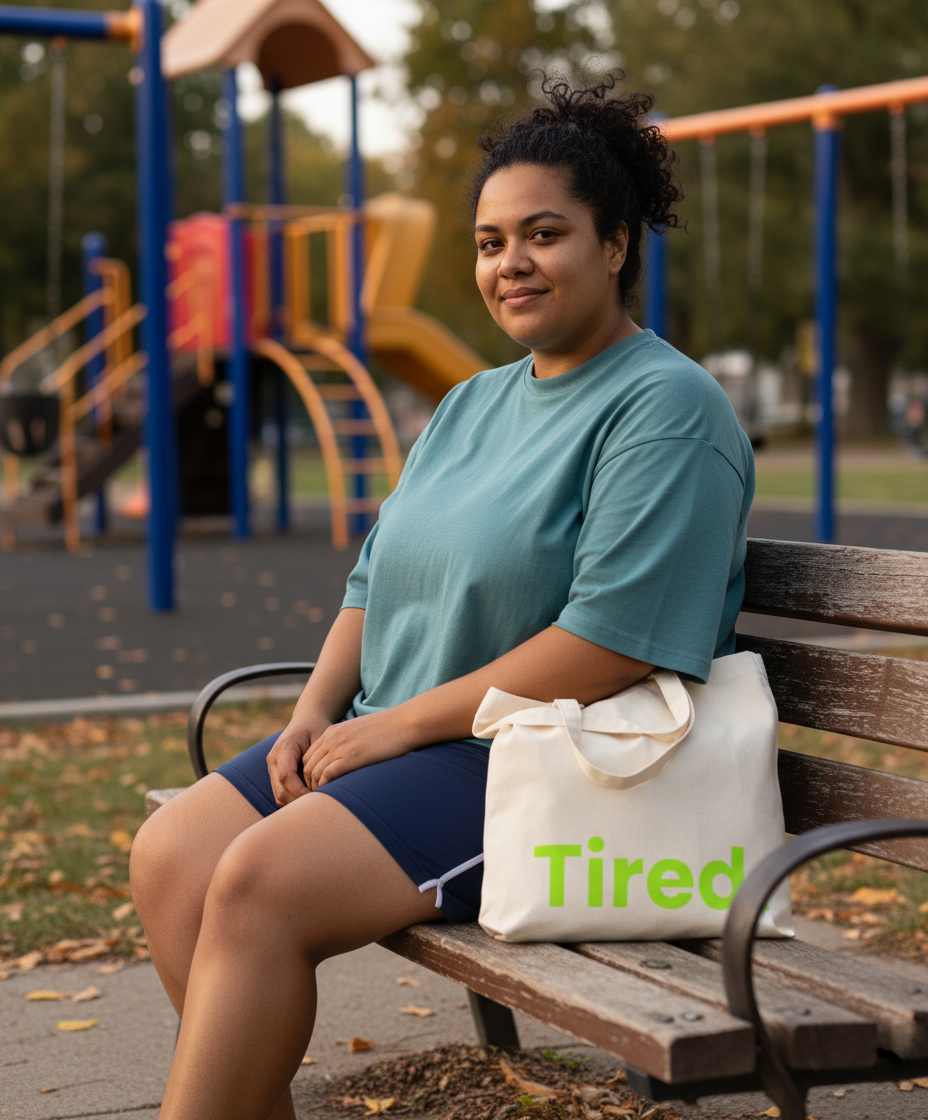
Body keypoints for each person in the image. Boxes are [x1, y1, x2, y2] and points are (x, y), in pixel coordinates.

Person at [130, 74, 755, 1120]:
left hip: (542, 761)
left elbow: (611, 642)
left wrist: (389, 733)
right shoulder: (470, 401)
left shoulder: (666, 406)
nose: (509, 262)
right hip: (404, 737)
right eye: (488, 240)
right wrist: (316, 710)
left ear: (615, 244)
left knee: (256, 885)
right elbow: (376, 577)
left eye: (543, 233)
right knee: (173, 855)